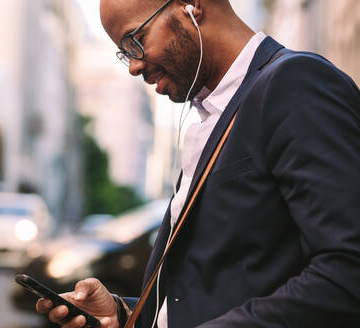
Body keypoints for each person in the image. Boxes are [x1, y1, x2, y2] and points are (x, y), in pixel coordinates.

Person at [36, 0, 360, 327]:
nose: (133, 67)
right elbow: (218, 287)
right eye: (125, 52)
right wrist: (125, 313)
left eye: (135, 40)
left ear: (192, 6)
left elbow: (348, 269)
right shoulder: (214, 113)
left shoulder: (294, 82)